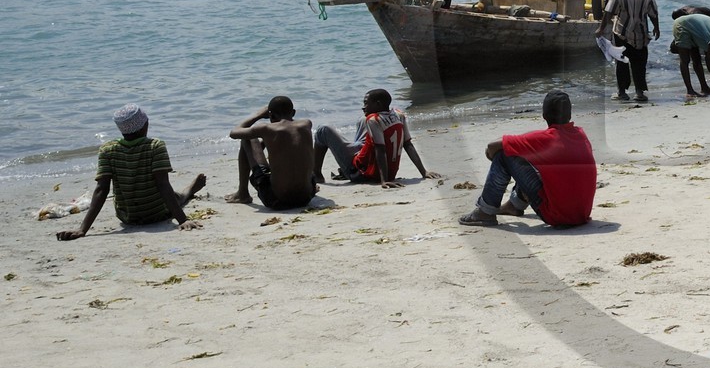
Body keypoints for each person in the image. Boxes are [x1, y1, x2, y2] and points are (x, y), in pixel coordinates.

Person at [57, 105, 207, 240]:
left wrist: (82, 229)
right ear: (145, 126)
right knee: (178, 197)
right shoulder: (155, 146)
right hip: (157, 214)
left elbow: (101, 190)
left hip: (127, 217)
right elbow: (162, 184)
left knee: (174, 195)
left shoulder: (107, 150)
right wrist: (183, 220)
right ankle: (190, 190)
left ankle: (188, 190)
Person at [458, 90, 597, 228]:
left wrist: (494, 156)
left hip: (557, 215)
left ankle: (485, 212)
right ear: (570, 115)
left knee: (504, 155)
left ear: (544, 115)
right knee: (530, 158)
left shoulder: (545, 139)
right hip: (581, 214)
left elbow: (492, 147)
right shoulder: (580, 134)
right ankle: (514, 205)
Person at [312, 89, 440, 189]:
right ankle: (355, 149)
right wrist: (424, 172)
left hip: (359, 172)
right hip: (374, 162)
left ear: (378, 104)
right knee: (363, 119)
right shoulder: (399, 115)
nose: (363, 107)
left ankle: (316, 174)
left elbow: (380, 150)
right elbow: (408, 145)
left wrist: (384, 180)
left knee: (323, 130)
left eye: (366, 103)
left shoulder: (374, 120)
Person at [226, 96, 315, 210]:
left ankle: (242, 193)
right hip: (306, 197)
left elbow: (234, 133)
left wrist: (257, 115)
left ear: (271, 115)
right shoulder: (306, 124)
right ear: (293, 112)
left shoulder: (267, 129)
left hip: (276, 199)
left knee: (248, 138)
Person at [605, 0, 660, 102]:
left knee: (621, 62)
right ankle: (639, 93)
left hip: (621, 31)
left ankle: (622, 92)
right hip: (640, 33)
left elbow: (610, 9)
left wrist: (601, 27)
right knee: (639, 63)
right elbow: (653, 11)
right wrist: (657, 27)